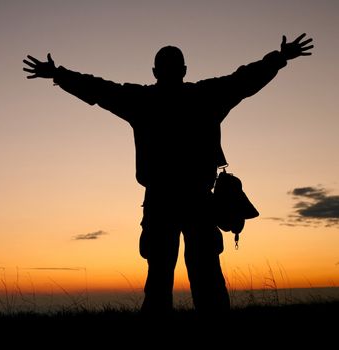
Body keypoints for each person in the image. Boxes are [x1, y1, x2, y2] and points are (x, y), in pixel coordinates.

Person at [22, 34, 313, 315]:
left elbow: (100, 90)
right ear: (184, 71)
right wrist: (280, 57)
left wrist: (58, 74)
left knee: (161, 276)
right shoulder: (206, 96)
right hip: (197, 199)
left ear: (155, 71)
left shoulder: (142, 100)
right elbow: (245, 80)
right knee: (205, 275)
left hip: (161, 201)